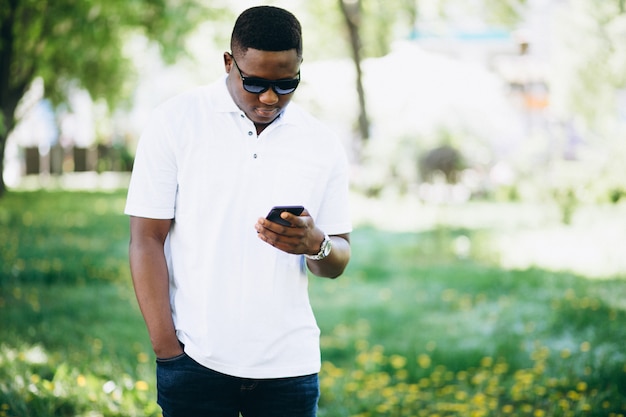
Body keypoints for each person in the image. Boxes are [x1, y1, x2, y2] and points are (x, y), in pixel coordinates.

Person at [124, 5, 352, 417]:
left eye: (286, 84)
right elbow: (146, 239)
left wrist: (315, 244)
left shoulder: (322, 144)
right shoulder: (175, 122)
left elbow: (337, 260)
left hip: (291, 369)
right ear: (229, 62)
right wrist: (167, 348)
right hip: (195, 362)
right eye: (256, 82)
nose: (269, 97)